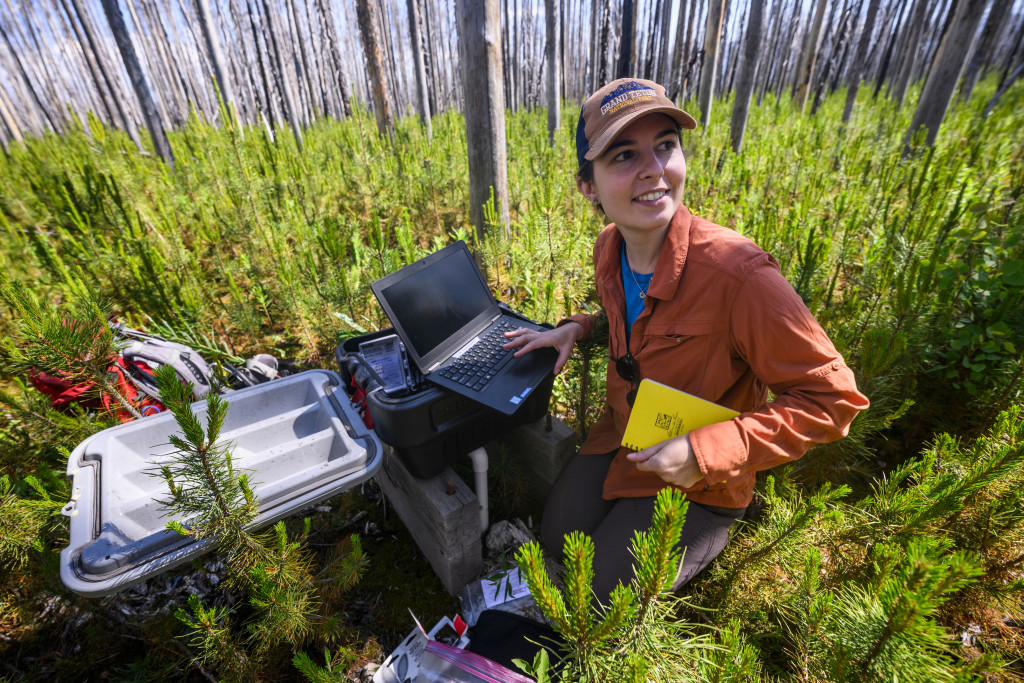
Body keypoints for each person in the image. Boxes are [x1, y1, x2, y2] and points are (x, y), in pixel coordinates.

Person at [502, 78, 869, 601]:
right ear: (589, 185)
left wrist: (705, 451)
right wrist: (578, 327)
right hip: (623, 436)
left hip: (703, 483)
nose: (654, 169)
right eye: (624, 155)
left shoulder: (740, 276)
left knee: (603, 597)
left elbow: (834, 400)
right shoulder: (611, 246)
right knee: (558, 539)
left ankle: (719, 524)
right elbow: (631, 317)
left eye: (666, 145)